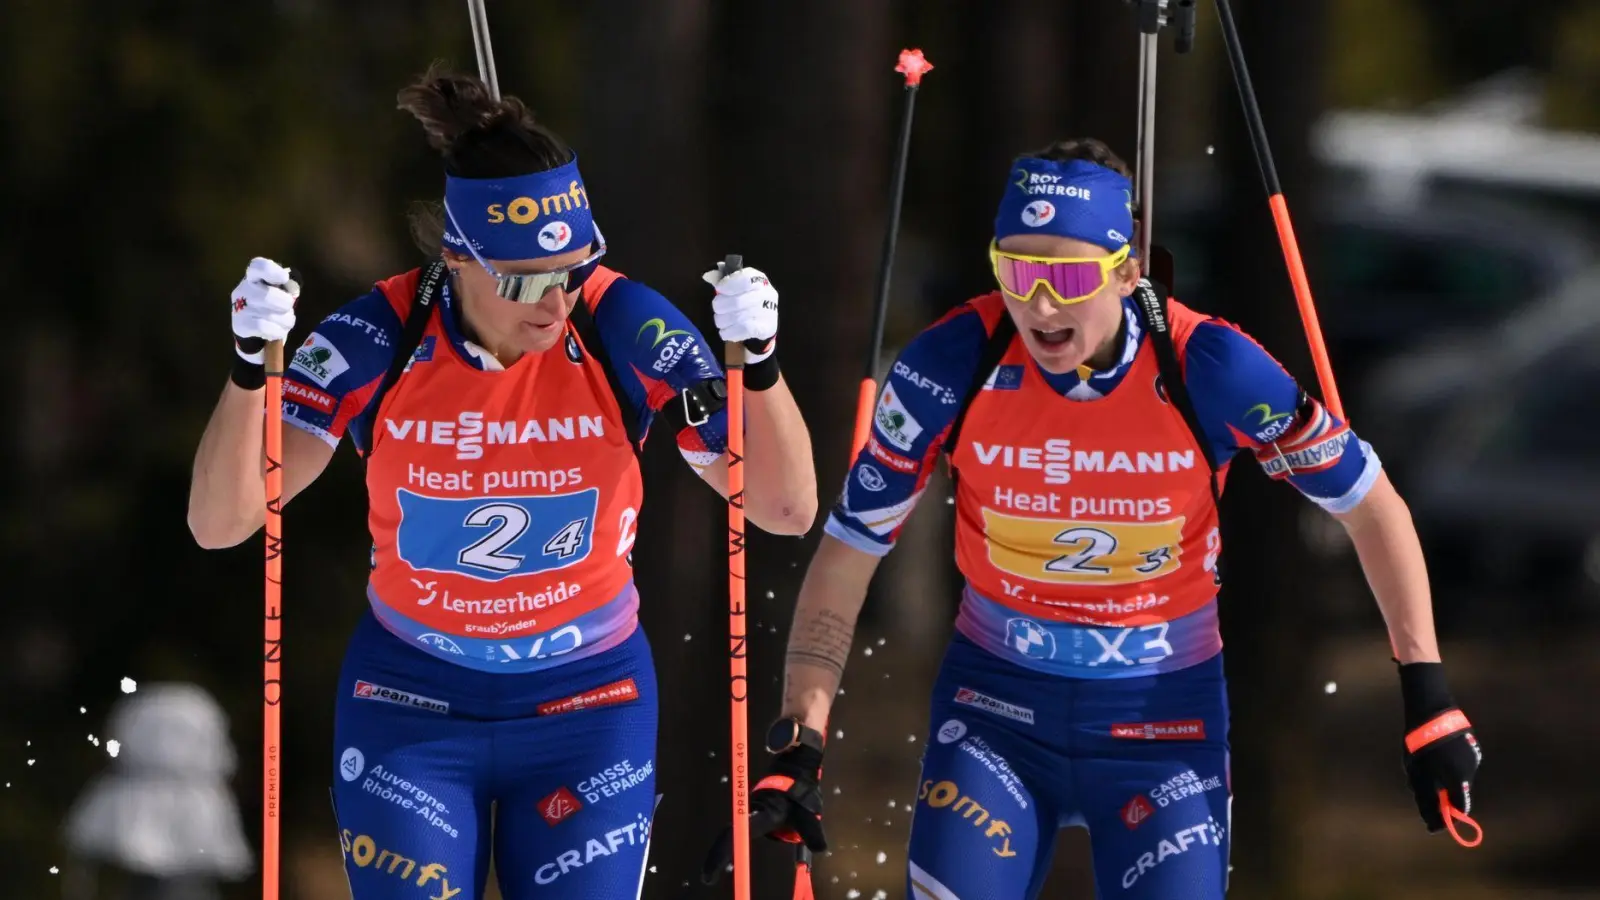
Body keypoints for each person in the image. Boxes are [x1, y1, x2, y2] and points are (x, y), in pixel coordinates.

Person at [710, 138, 1481, 899]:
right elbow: (848, 550)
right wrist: (799, 738)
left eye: (1069, 274)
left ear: (1127, 271)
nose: (1039, 303)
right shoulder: (951, 363)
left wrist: (1428, 693)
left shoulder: (1207, 366)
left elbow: (1370, 506)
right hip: (996, 713)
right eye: (1016, 270)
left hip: (1161, 723)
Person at [187, 65, 818, 900]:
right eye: (523, 278)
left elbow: (782, 509)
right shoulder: (381, 334)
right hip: (410, 699)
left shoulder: (619, 320)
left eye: (572, 268)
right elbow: (222, 523)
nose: (554, 301)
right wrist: (248, 373)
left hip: (588, 703)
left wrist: (761, 369)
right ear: (457, 257)